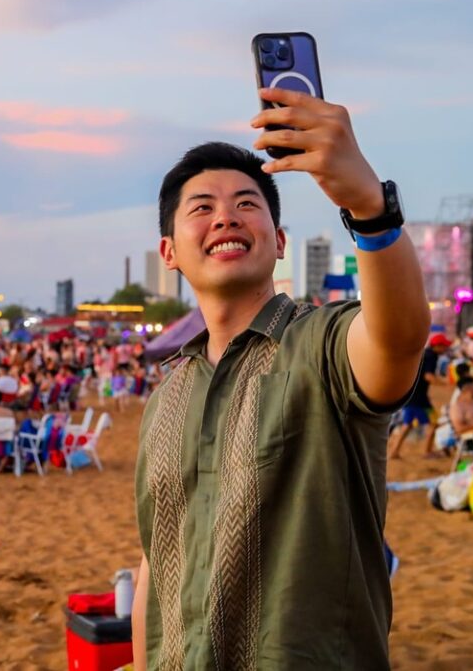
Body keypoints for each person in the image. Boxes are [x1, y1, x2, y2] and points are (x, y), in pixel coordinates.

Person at [132, 87, 429, 671]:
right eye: (201, 208)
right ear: (169, 252)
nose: (225, 216)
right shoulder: (165, 398)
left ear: (280, 241)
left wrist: (370, 208)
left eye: (247, 203)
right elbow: (156, 560)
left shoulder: (321, 346)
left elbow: (398, 337)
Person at [387, 333, 451, 459]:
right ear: (437, 346)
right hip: (419, 399)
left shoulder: (425, 354)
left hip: (410, 394)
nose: (446, 348)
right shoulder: (431, 356)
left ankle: (394, 452)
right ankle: (427, 452)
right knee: (433, 423)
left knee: (407, 425)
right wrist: (445, 383)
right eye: (444, 346)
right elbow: (428, 376)